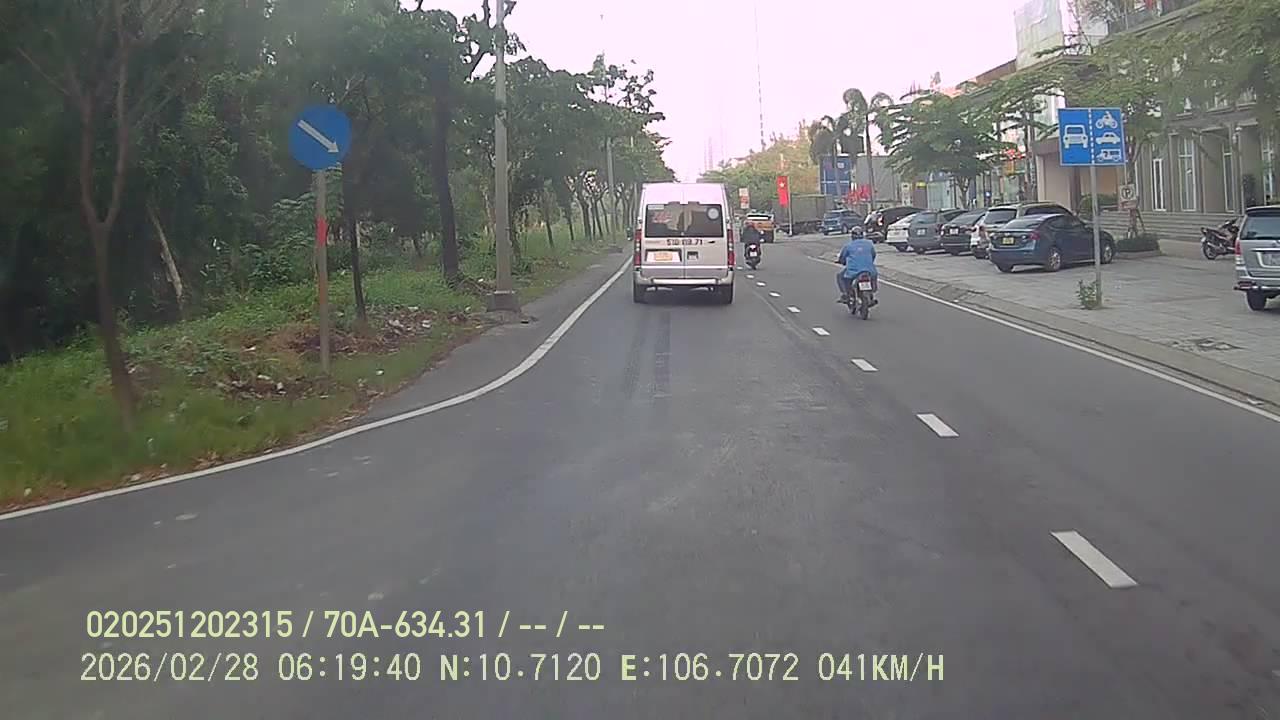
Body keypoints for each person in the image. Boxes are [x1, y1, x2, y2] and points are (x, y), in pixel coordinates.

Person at [836, 226, 877, 304]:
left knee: (840, 276)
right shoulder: (869, 244)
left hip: (854, 270)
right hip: (869, 270)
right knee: (873, 277)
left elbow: (842, 257)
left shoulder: (848, 246)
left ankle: (845, 295)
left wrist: (841, 261)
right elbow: (873, 255)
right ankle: (871, 293)